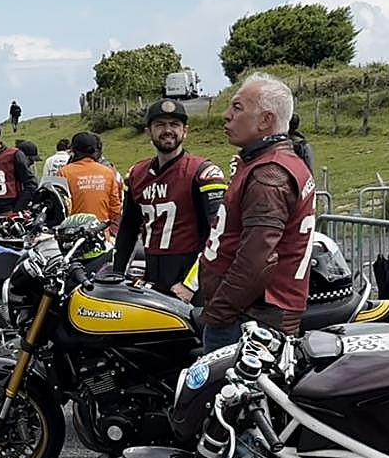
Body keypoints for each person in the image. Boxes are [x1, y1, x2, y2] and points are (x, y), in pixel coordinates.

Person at [200, 73, 316, 353]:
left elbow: (257, 259)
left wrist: (218, 313)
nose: (227, 115)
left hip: (250, 319)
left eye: (237, 107)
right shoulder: (271, 162)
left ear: (265, 120)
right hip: (252, 314)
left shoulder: (269, 174)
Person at [112, 100, 227, 298]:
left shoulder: (202, 172)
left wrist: (190, 284)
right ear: (148, 132)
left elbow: (219, 234)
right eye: (160, 125)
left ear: (185, 131)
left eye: (174, 124)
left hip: (189, 278)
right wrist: (117, 275)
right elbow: (128, 230)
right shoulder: (136, 174)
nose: (167, 130)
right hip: (152, 275)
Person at [59, 132, 123, 234]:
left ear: (73, 150)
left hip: (73, 234)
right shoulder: (108, 172)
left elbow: (60, 207)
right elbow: (115, 209)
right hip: (100, 233)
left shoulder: (64, 172)